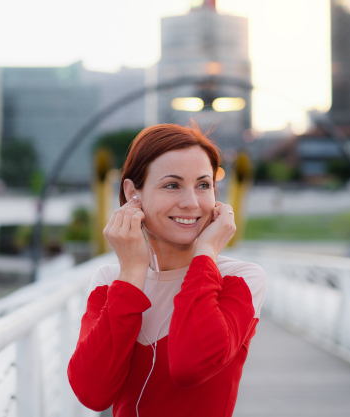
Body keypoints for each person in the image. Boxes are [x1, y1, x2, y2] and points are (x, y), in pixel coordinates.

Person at [68, 122, 267, 417]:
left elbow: (190, 366)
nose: (191, 203)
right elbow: (93, 393)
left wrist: (206, 255)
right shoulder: (110, 281)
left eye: (203, 185)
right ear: (132, 193)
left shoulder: (240, 279)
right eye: (172, 185)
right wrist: (134, 272)